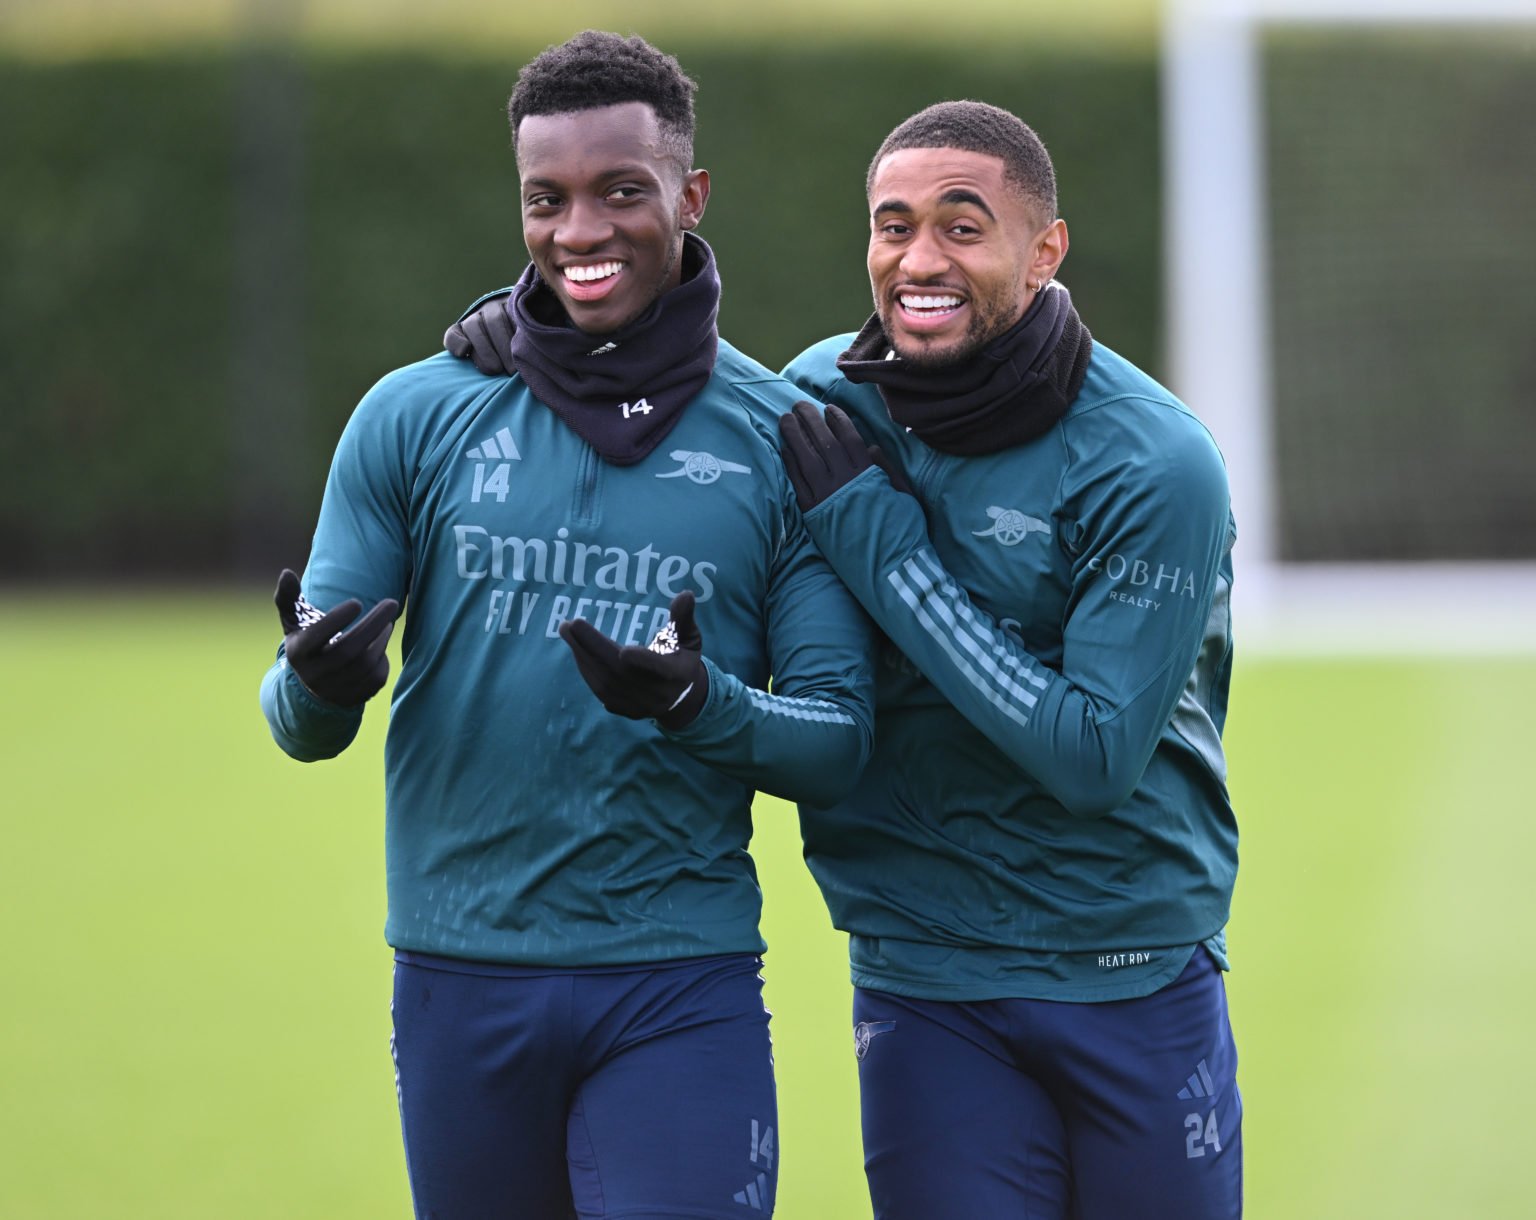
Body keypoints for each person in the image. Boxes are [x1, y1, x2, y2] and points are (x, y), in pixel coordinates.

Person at [261, 32, 873, 1220]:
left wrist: (704, 702)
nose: (580, 230)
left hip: (675, 979)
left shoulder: (783, 439)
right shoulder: (414, 414)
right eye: (548, 199)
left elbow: (840, 740)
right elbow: (298, 725)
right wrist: (320, 681)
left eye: (621, 192)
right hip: (458, 976)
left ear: (691, 197)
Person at [773, 101, 1242, 1218]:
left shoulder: (1153, 458)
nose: (918, 258)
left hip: (1127, 968)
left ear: (1044, 251)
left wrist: (883, 548)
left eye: (961, 226)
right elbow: (658, 405)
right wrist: (522, 329)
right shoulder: (823, 399)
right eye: (893, 226)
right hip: (925, 975)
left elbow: (1091, 753)